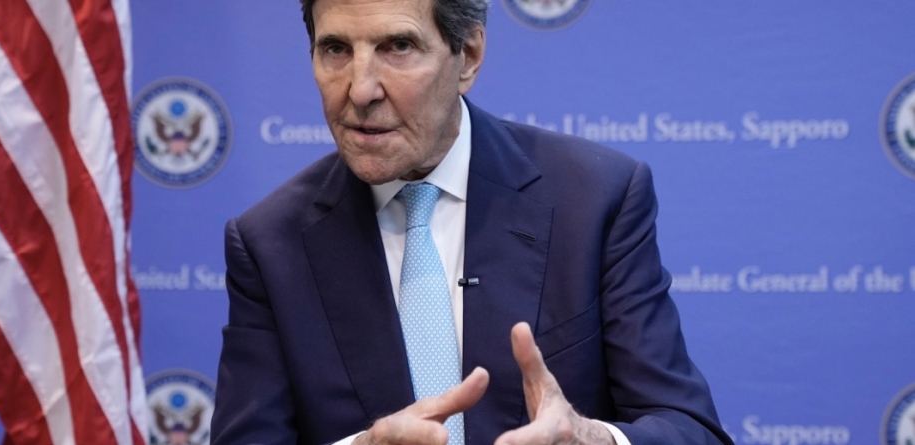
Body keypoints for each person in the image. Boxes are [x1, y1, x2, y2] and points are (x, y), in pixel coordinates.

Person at [211, 0, 733, 444]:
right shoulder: (269, 243)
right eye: (336, 50)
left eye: (398, 47)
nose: (360, 89)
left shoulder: (594, 200)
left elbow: (690, 427)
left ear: (469, 56)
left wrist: (595, 438)